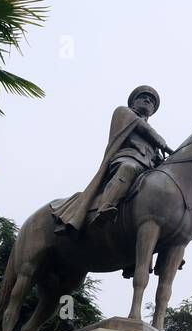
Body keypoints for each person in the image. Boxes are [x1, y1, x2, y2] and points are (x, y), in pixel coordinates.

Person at [53, 85, 172, 234]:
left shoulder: (152, 141)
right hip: (127, 159)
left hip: (147, 168)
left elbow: (156, 155)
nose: (148, 100)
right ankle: (105, 208)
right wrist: (166, 146)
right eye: (143, 97)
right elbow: (145, 129)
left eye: (152, 101)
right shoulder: (124, 113)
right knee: (129, 168)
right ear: (133, 103)